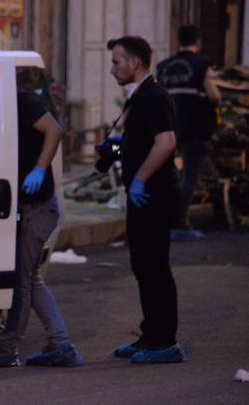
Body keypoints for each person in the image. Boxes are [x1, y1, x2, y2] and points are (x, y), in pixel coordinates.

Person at [0, 88, 82, 369]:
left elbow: (54, 130)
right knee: (31, 278)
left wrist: (39, 169)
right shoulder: (0, 106)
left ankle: (7, 347)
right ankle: (61, 344)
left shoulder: (19, 100)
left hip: (38, 208)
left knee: (23, 280)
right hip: (33, 208)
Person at [106, 36, 187, 364]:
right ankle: (150, 335)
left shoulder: (153, 96)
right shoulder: (140, 97)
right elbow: (141, 141)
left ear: (135, 63)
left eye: (116, 61)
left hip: (154, 196)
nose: (112, 69)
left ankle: (165, 341)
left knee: (155, 266)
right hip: (143, 198)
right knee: (143, 264)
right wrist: (113, 148)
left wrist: (139, 179)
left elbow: (165, 143)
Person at [156, 25, 221, 237]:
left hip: (169, 128)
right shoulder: (203, 67)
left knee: (174, 175)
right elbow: (214, 97)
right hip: (196, 129)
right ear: (198, 42)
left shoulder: (163, 67)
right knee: (190, 178)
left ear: (178, 42)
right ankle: (179, 221)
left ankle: (166, 216)